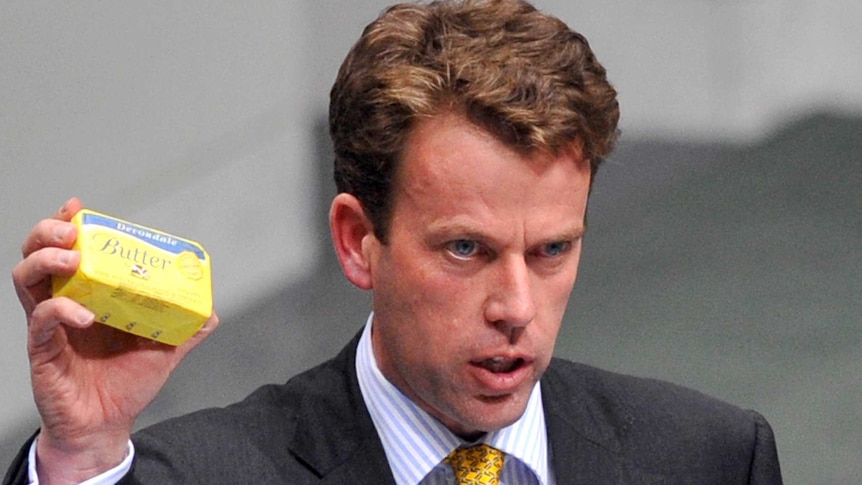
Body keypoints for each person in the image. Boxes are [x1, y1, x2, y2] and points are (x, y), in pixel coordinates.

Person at [5, 0, 783, 483]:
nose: (517, 309)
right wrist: (83, 453)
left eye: (551, 250)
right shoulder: (202, 474)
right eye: (465, 250)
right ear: (356, 240)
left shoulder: (710, 456)